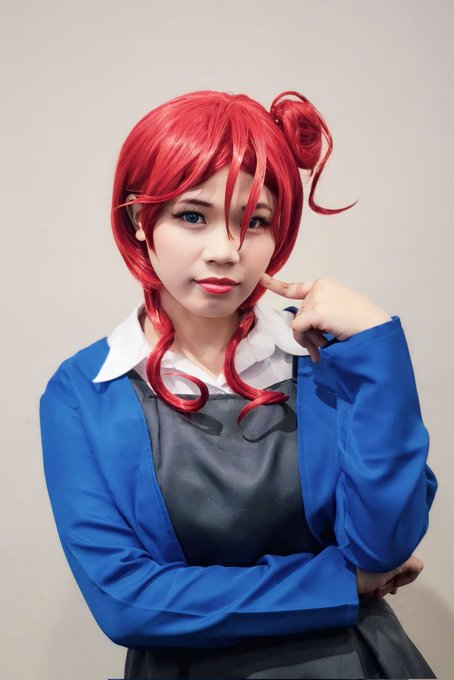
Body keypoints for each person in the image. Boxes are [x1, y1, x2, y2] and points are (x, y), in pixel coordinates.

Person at [39, 89, 438, 679]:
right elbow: (129, 602)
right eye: (192, 216)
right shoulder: (84, 392)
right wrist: (341, 581)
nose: (226, 251)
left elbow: (384, 547)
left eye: (254, 222)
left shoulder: (329, 359)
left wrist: (379, 353)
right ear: (139, 220)